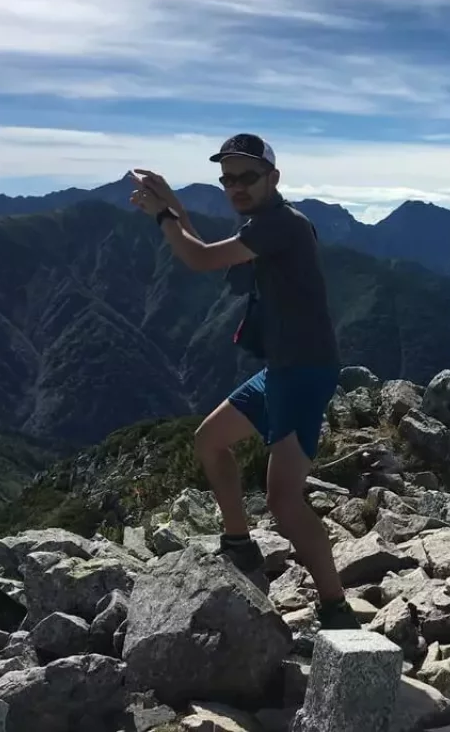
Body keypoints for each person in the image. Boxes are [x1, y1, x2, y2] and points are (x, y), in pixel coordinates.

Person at [128, 133, 359, 631]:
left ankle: (337, 608)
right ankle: (239, 543)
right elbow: (205, 249)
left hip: (304, 371)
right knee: (209, 440)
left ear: (272, 178)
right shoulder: (263, 223)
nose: (235, 186)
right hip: (281, 368)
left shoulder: (282, 224)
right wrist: (172, 204)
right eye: (227, 178)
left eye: (246, 177)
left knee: (283, 499)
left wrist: (165, 217)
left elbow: (201, 259)